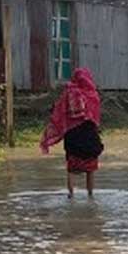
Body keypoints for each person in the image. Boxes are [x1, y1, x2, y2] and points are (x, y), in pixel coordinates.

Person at [41, 68, 105, 198]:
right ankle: (90, 195)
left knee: (71, 169)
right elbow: (95, 117)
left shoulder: (68, 94)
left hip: (73, 137)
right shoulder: (92, 95)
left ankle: (71, 195)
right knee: (90, 169)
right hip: (90, 136)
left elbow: (59, 112)